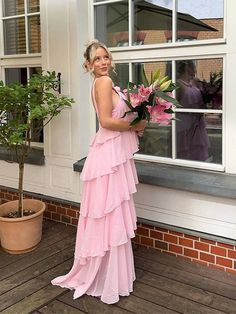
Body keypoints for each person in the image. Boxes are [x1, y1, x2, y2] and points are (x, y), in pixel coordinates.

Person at [51, 40, 146, 304]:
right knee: (110, 211)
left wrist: (138, 119)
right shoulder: (102, 83)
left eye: (106, 57)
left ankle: (111, 274)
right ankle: (108, 277)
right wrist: (135, 126)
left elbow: (117, 118)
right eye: (97, 59)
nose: (103, 62)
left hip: (111, 153)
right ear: (89, 65)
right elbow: (105, 121)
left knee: (109, 211)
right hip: (108, 155)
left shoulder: (106, 83)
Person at [176, 60, 210, 161]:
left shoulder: (195, 82)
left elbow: (202, 99)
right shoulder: (178, 84)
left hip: (197, 121)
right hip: (185, 121)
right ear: (187, 68)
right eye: (193, 67)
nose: (195, 70)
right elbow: (174, 105)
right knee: (185, 147)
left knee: (198, 147)